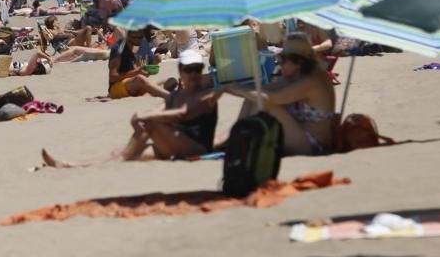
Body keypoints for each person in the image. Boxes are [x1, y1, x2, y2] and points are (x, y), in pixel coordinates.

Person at [42, 49, 219, 167]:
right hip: (175, 145)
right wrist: (144, 116)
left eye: (197, 69)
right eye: (189, 70)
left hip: (196, 147)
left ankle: (115, 157)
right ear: (181, 71)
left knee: (151, 124)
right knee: (123, 155)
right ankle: (73, 165)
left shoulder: (205, 94)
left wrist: (147, 117)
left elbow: (183, 113)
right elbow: (160, 109)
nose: (194, 74)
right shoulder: (177, 95)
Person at [223, 33, 337, 156]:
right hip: (300, 134)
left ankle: (237, 140)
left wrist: (236, 89)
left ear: (298, 61)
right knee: (253, 97)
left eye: (283, 59)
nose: (279, 63)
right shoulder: (295, 75)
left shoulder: (311, 81)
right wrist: (228, 88)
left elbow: (271, 98)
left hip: (314, 145)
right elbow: (262, 90)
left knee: (264, 103)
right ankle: (235, 137)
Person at [107, 27, 169, 99]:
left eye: (140, 37)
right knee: (140, 79)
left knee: (169, 81)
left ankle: (146, 96)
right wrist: (136, 72)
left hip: (139, 85)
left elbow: (147, 69)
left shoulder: (144, 44)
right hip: (118, 87)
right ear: (128, 35)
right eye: (135, 37)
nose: (137, 40)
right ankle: (169, 96)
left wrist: (155, 62)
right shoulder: (119, 48)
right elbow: (112, 77)